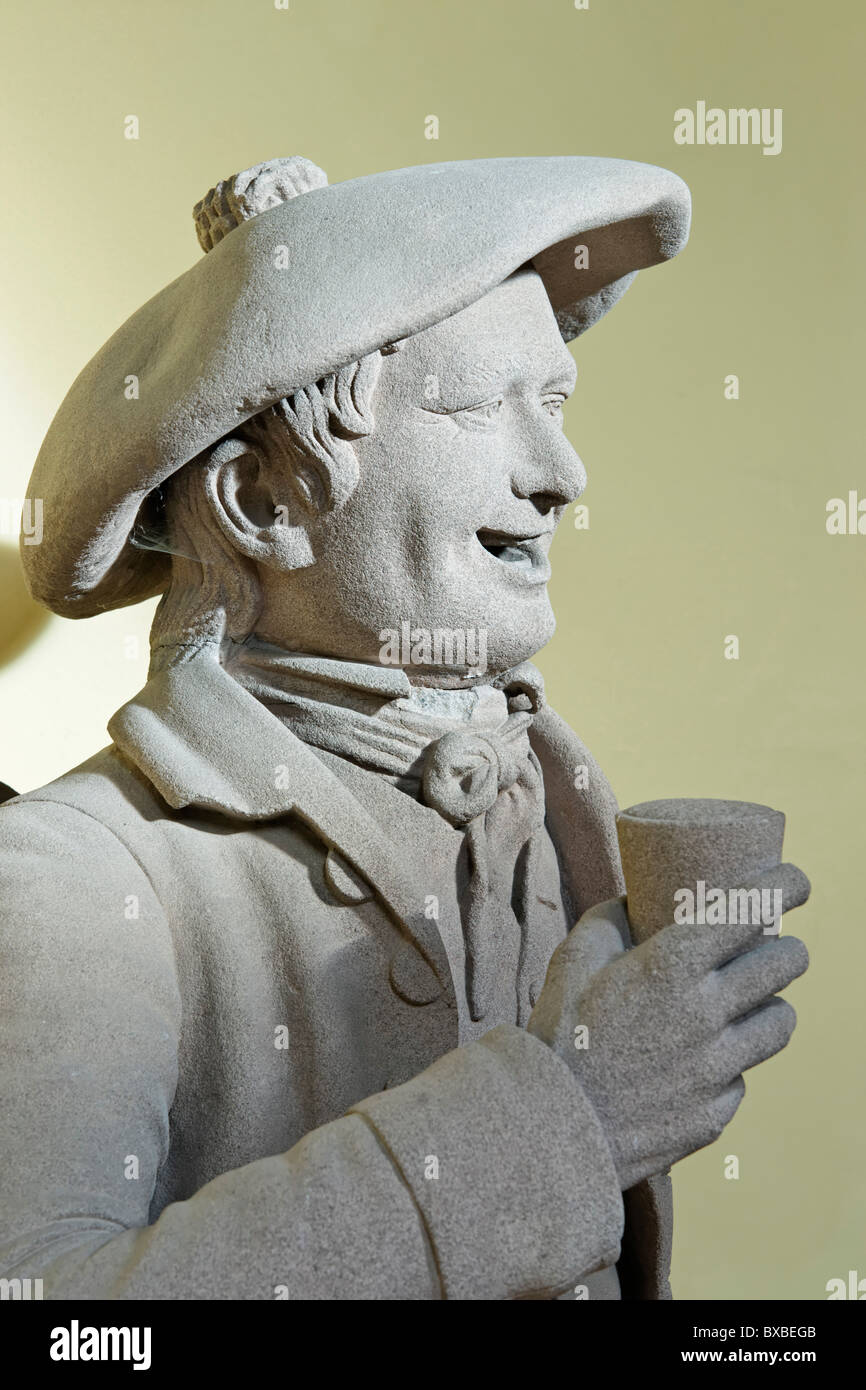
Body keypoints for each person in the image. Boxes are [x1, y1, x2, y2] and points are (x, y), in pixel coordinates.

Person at [0, 155, 809, 1300]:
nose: (562, 474)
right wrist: (571, 1121)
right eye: (478, 406)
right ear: (262, 503)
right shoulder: (75, 871)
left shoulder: (551, 796)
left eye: (555, 405)